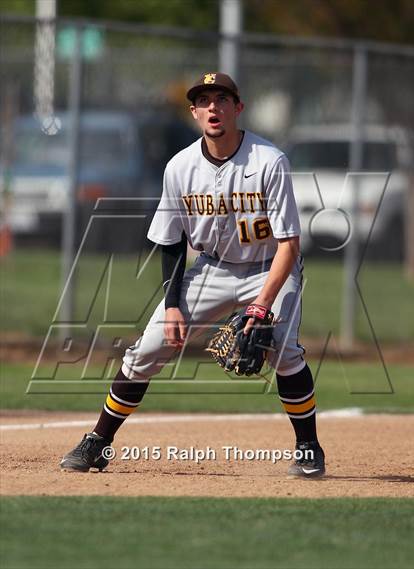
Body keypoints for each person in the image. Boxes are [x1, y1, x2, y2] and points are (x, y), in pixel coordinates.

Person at [60, 72, 325, 477]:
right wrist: (171, 307)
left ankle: (309, 449)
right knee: (146, 350)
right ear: (194, 112)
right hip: (212, 268)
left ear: (238, 108)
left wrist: (262, 305)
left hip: (270, 268)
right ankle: (98, 442)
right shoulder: (180, 167)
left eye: (222, 99)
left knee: (284, 353)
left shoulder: (270, 160)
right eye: (204, 101)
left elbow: (289, 245)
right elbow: (170, 241)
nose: (213, 107)